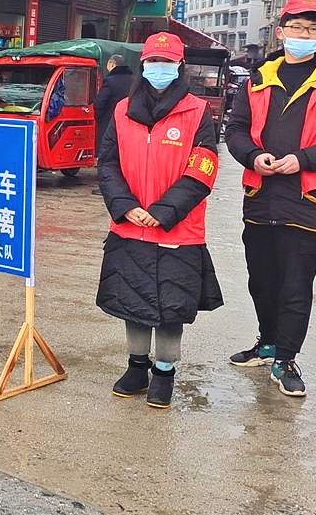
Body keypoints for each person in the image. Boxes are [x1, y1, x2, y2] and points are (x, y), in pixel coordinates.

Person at [224, 0, 316, 398]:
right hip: (261, 194)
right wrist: (254, 157)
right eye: (297, 27)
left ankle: (286, 358)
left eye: (312, 29)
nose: (304, 35)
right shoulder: (257, 77)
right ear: (281, 30)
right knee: (261, 279)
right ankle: (267, 342)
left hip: (309, 199)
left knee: (295, 284)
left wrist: (302, 160)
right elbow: (234, 130)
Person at [97, 32, 223, 410]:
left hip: (177, 228)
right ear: (143, 64)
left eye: (167, 62)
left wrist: (165, 211)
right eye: (153, 61)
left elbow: (203, 167)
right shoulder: (122, 110)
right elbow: (107, 163)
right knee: (131, 301)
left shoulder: (198, 111)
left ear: (180, 66)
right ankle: (137, 366)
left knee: (171, 306)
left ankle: (164, 372)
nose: (159, 68)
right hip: (130, 223)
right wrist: (125, 205)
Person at [92, 55, 133, 196]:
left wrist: (99, 119)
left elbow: (99, 103)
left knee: (107, 156)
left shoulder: (110, 81)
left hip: (110, 123)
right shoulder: (134, 80)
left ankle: (106, 187)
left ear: (111, 64)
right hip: (132, 124)